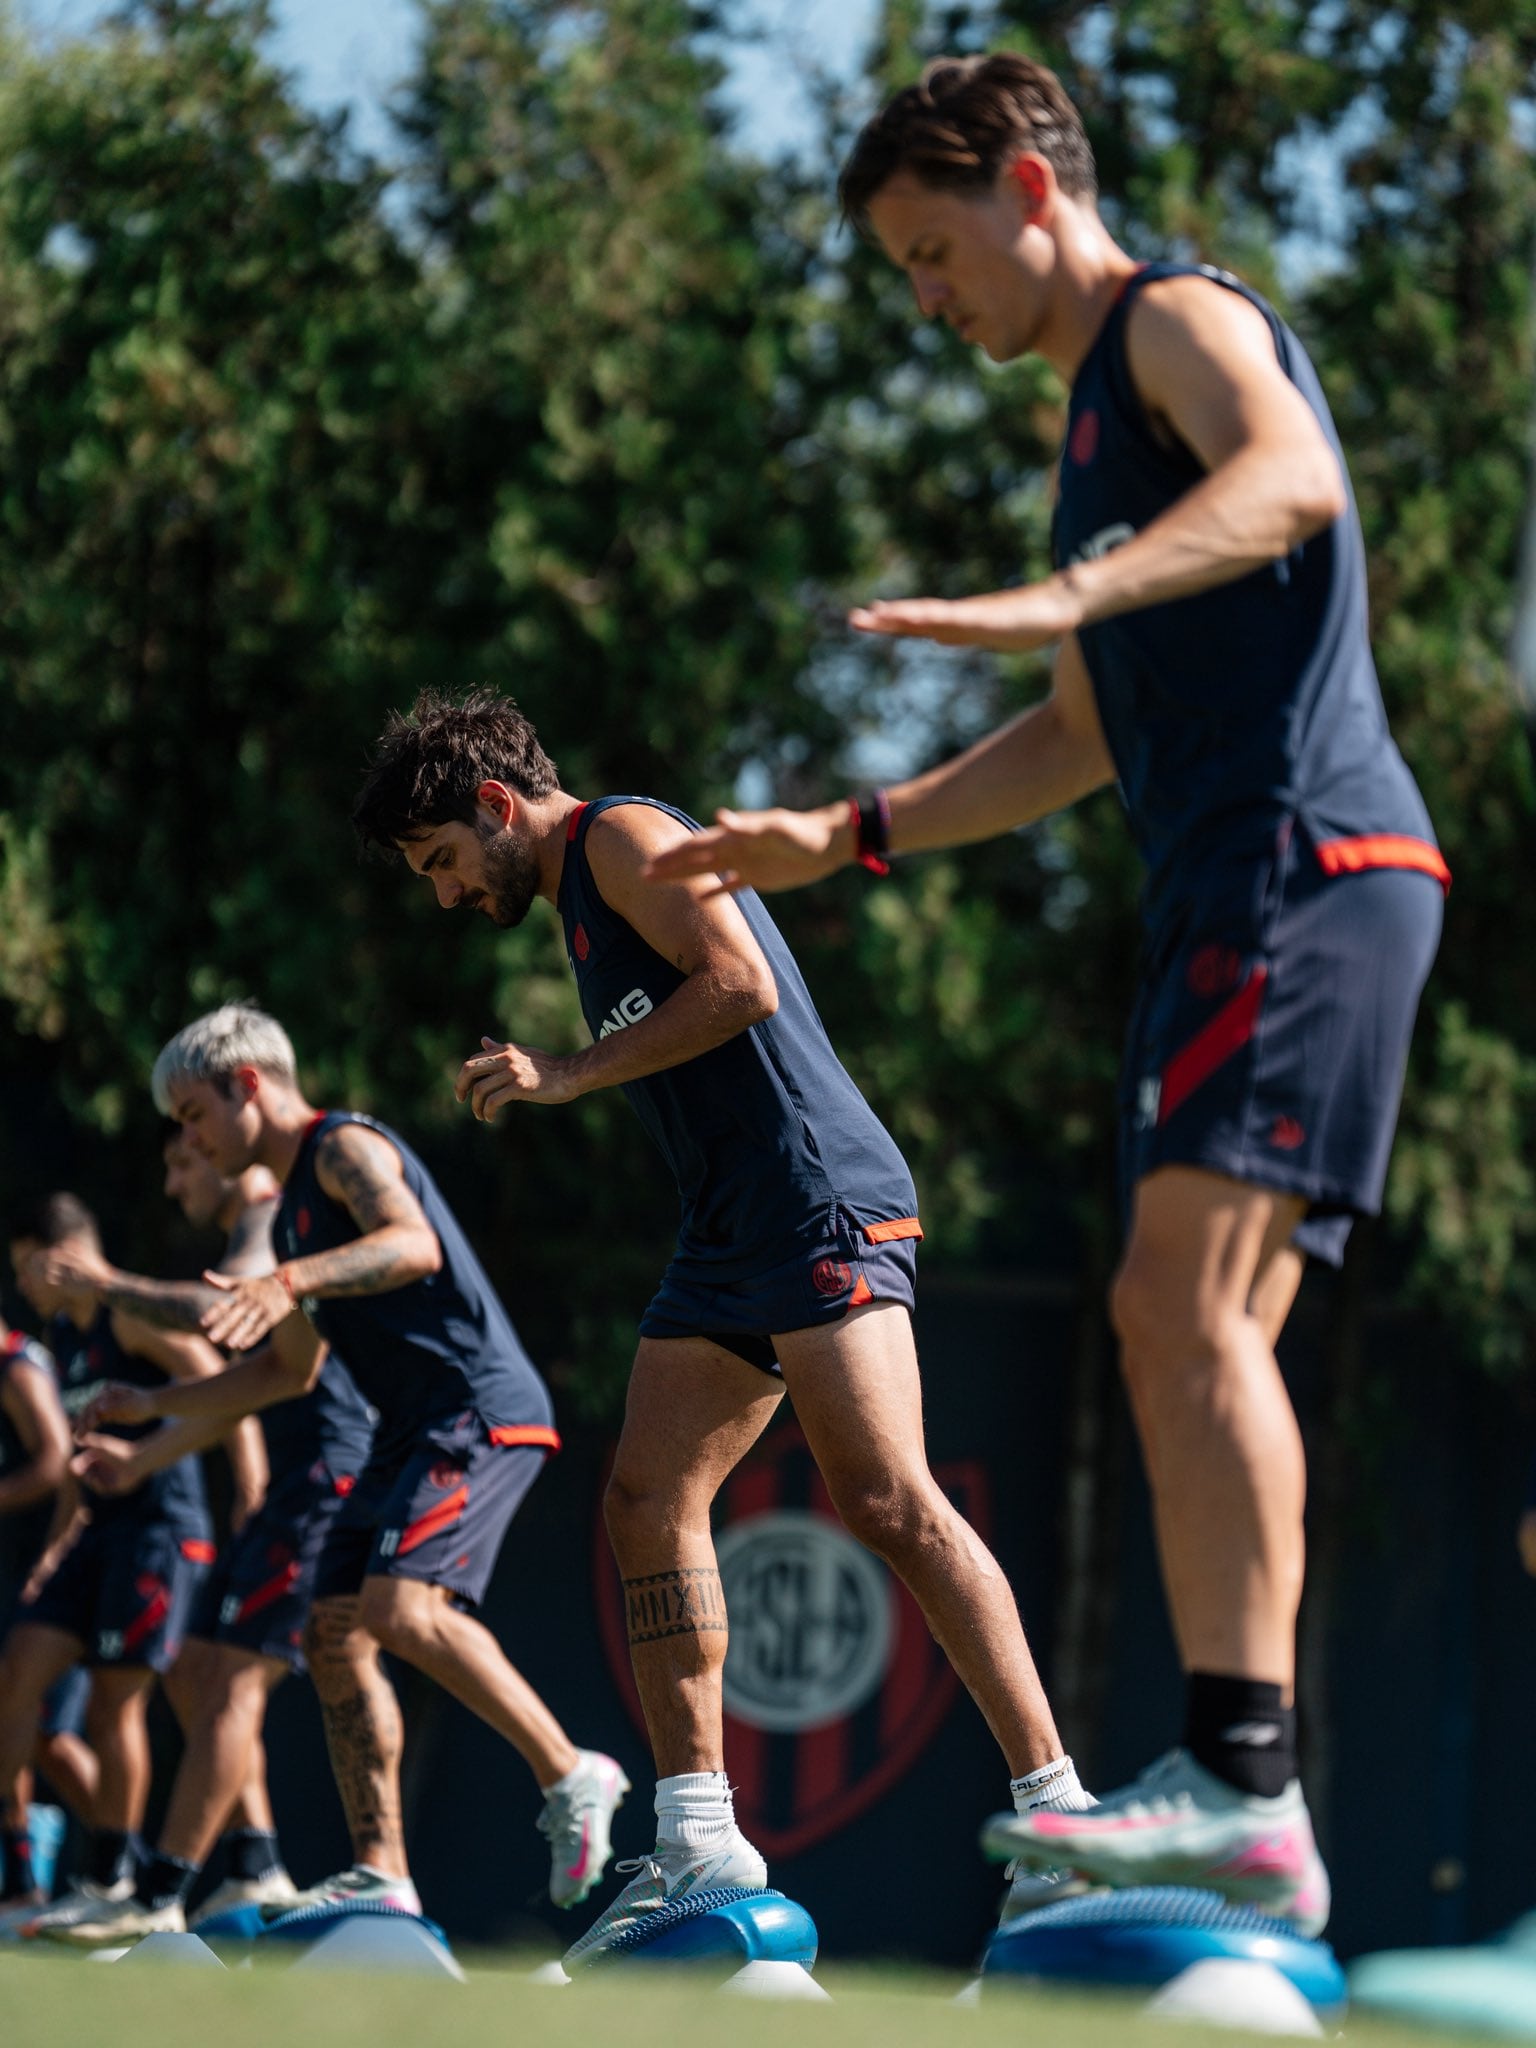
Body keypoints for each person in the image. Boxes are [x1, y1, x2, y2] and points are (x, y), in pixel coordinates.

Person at [643, 52, 1452, 1936]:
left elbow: (1292, 478)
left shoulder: (1175, 319)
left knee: (1179, 1308)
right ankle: (1245, 1783)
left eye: (931, 253)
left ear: (1026, 184)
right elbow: (1076, 738)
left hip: (1296, 863)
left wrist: (1063, 596)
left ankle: (1248, 1787)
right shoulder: (1092, 431)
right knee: (1203, 1326)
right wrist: (845, 832)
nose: (928, 301)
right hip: (1244, 890)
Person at [349, 689, 1094, 1970]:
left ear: (496, 804)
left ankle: (1058, 1816)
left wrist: (565, 1073)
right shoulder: (579, 891)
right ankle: (699, 1837)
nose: (446, 891)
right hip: (730, 1233)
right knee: (647, 1499)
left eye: (441, 859)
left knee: (889, 1501)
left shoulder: (621, 836)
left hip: (816, 1198)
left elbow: (739, 983)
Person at [82, 1005, 626, 1923]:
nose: (190, 1139)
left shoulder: (341, 1147)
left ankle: (571, 1771)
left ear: (247, 1085)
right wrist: (152, 1408)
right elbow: (286, 1373)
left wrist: (287, 1281)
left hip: (475, 1411)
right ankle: (383, 1873)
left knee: (399, 1611)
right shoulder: (290, 1221)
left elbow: (412, 1244)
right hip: (406, 1432)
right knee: (334, 1635)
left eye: (193, 1116)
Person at [33, 1130, 378, 1942]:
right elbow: (256, 1383)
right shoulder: (259, 1223)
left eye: (186, 1151)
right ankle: (253, 1863)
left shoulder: (266, 1210)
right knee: (197, 1668)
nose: (175, 1177)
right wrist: (145, 1443)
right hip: (297, 1479)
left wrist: (106, 1283)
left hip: (326, 1472)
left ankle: (157, 1895)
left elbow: (214, 1324)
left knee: (233, 1682)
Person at [2, 1194, 261, 1930]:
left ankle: (117, 1879)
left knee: (118, 1702)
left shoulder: (128, 1315)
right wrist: (56, 1547)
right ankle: (23, 1876)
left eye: (27, 1268)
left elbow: (223, 1384)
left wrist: (250, 1486)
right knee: (18, 1675)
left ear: (61, 1258)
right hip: (95, 1537)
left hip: (158, 1532)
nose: (21, 1285)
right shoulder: (63, 1335)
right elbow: (75, 1460)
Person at [0, 1315, 93, 1913]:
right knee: (12, 1726)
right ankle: (19, 1883)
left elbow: (56, 1461)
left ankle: (136, 1872)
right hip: (19, 1581)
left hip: (46, 1582)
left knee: (51, 1739)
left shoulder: (17, 1368)